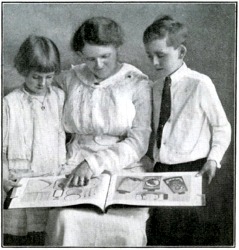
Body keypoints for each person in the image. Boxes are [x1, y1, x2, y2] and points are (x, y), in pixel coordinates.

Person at [45, 16, 152, 247]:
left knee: (129, 229)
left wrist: (93, 164)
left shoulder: (136, 82)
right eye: (91, 59)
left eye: (106, 56)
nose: (99, 65)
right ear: (81, 56)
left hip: (123, 165)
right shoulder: (69, 78)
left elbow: (138, 142)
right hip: (74, 163)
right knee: (65, 219)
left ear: (117, 49)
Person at [143, 15, 231, 245]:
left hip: (193, 169)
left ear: (181, 52)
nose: (154, 63)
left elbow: (222, 127)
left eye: (160, 55)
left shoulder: (200, 84)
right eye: (149, 56)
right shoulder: (154, 88)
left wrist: (213, 159)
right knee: (159, 232)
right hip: (161, 169)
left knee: (189, 234)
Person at [3, 35, 66, 246]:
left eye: (48, 77)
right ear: (23, 71)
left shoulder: (59, 97)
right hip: (19, 180)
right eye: (36, 77)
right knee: (19, 236)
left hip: (51, 176)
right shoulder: (10, 103)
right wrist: (3, 178)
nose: (43, 83)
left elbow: (62, 136)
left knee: (46, 234)